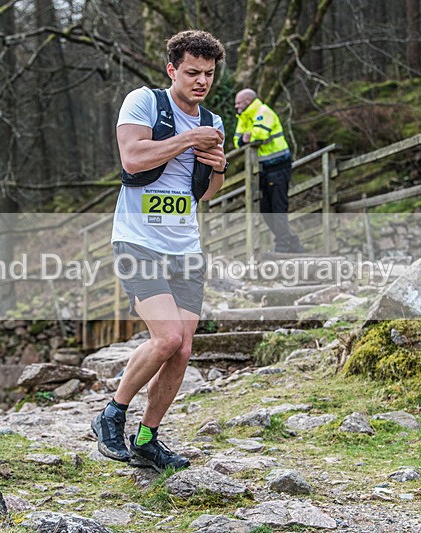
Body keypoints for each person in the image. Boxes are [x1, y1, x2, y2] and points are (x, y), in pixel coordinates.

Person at [91, 30, 227, 473]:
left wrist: (219, 167)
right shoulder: (144, 103)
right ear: (172, 69)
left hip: (185, 246)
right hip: (138, 240)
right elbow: (132, 158)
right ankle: (111, 413)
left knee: (183, 349)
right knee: (166, 338)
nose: (201, 81)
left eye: (208, 74)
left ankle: (148, 438)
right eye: (192, 72)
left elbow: (205, 195)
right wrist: (190, 140)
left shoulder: (214, 122)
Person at [234, 88, 304, 254]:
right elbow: (237, 141)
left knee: (277, 207)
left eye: (239, 103)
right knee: (265, 210)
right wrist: (246, 137)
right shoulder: (243, 117)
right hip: (263, 169)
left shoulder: (263, 112)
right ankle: (292, 243)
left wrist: (249, 136)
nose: (236, 107)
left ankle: (283, 246)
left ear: (248, 101)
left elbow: (260, 135)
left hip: (278, 166)